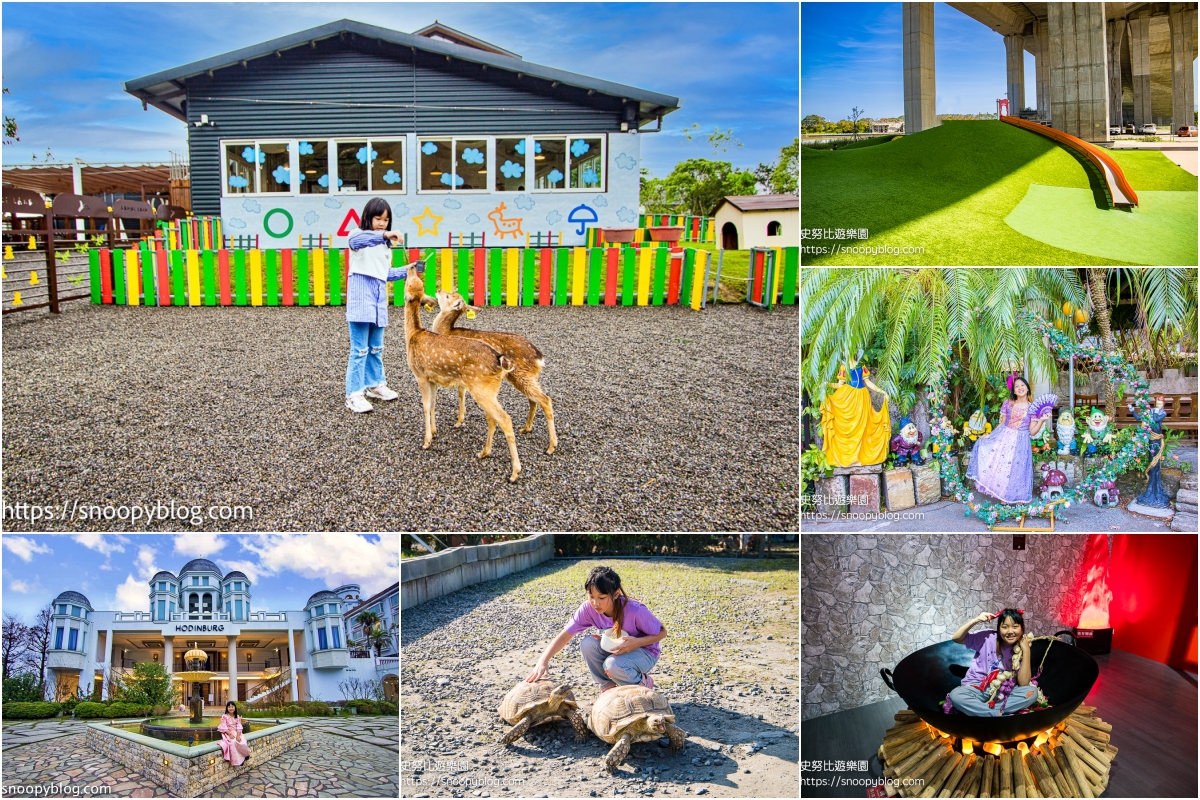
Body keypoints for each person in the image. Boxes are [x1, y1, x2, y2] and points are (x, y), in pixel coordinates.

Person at [525, 566, 667, 692]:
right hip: (618, 649)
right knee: (588, 643)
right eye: (591, 596)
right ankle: (608, 687)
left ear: (616, 594)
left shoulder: (635, 610)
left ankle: (642, 683)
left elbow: (663, 632)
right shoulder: (587, 609)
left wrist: (636, 642)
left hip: (645, 652)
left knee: (612, 665)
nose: (595, 602)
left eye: (601, 597)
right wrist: (543, 660)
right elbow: (565, 635)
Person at [344, 197, 424, 413]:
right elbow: (358, 240)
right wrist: (385, 234)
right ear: (367, 218)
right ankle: (354, 393)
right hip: (361, 303)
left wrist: (408, 269)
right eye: (377, 218)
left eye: (385, 220)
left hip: (379, 304)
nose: (382, 223)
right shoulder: (356, 235)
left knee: (376, 348)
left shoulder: (385, 247)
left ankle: (375, 385)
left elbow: (385, 273)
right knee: (359, 350)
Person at [966, 376, 1049, 503]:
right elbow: (1002, 423)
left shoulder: (1033, 408)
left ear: (1027, 388)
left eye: (1022, 385)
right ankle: (1003, 496)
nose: (1020, 388)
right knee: (1002, 467)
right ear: (1014, 391)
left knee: (1019, 469)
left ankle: (1019, 497)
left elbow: (1032, 431)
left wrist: (1042, 420)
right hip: (1005, 438)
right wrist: (990, 435)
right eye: (1017, 386)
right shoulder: (1008, 403)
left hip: (1022, 440)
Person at [947, 609, 1039, 717]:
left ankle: (984, 712)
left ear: (1022, 628)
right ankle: (995, 713)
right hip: (978, 688)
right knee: (956, 695)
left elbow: (1023, 683)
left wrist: (1027, 650)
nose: (1010, 631)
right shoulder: (987, 637)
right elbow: (956, 638)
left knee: (1032, 693)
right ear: (999, 629)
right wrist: (976, 620)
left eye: (1015, 627)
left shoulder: (1020, 648)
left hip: (1003, 690)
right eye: (1005, 627)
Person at [819, 356, 891, 468]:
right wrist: (826, 384)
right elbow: (839, 385)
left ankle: (860, 456)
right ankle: (850, 456)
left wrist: (882, 392)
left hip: (862, 397)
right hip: (848, 397)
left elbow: (868, 382)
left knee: (863, 427)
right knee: (848, 427)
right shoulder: (844, 366)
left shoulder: (861, 364)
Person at [218, 701, 251, 766]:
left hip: (236, 732)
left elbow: (239, 727)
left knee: (242, 741)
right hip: (228, 733)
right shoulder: (225, 717)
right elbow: (224, 726)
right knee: (233, 742)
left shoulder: (237, 717)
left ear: (235, 707)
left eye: (232, 707)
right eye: (229, 707)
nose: (231, 708)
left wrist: (238, 735)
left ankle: (245, 755)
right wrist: (229, 734)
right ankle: (237, 761)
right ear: (227, 708)